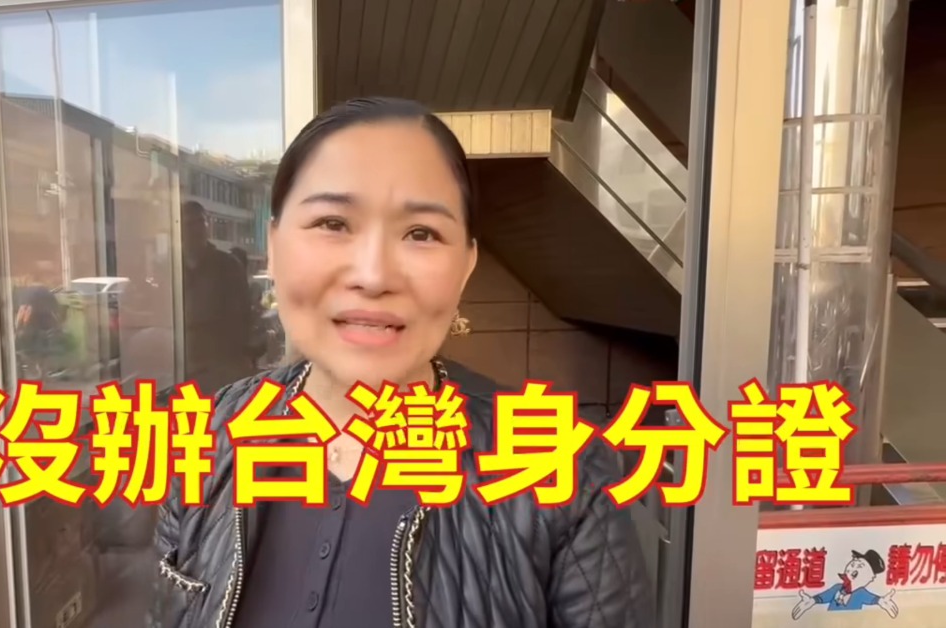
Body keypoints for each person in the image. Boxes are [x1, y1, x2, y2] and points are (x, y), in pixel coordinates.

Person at [154, 97, 654, 628]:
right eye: (332, 222)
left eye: (421, 233)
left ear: (466, 266)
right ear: (273, 247)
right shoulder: (202, 438)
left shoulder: (565, 469)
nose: (373, 276)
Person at [178, 201, 255, 392]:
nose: (196, 229)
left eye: (200, 222)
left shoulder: (228, 265)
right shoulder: (169, 268)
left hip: (222, 365)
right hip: (182, 365)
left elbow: (243, 317)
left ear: (207, 226)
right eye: (189, 224)